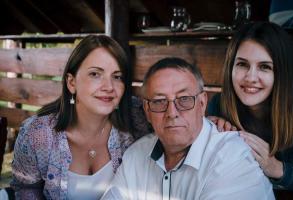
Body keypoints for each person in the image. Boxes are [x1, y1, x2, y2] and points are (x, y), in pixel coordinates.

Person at [101, 57, 274, 200]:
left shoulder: (232, 157)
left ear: (202, 103)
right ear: (147, 111)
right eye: (159, 101)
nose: (172, 113)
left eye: (184, 99)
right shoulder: (136, 155)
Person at [11, 35, 134, 200]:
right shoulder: (37, 134)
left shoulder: (131, 131)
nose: (109, 87)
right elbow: (25, 189)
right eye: (95, 74)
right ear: (71, 83)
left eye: (117, 76)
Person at [207, 21, 293, 199]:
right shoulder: (218, 106)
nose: (251, 77)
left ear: (281, 73)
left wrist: (278, 169)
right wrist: (206, 132)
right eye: (242, 64)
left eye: (265, 67)